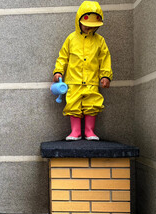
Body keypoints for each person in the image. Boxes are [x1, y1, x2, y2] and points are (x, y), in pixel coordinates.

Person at [53, 1, 113, 141]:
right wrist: (58, 71)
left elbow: (105, 59)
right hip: (73, 81)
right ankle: (75, 131)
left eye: (92, 26)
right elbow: (63, 57)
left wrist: (106, 75)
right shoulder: (71, 39)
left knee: (92, 104)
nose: (88, 28)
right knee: (73, 104)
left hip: (91, 80)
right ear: (79, 20)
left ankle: (89, 131)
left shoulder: (100, 41)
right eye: (86, 24)